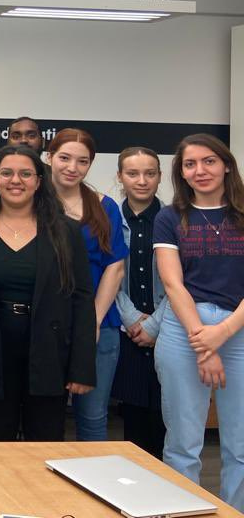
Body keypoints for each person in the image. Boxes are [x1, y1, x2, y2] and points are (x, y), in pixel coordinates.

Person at [0, 144, 95, 440]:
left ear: (39, 181)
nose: (15, 180)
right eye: (6, 173)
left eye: (25, 174)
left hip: (48, 350)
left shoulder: (66, 231)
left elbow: (82, 300)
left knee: (44, 444)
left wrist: (81, 367)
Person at [154, 134, 244, 510]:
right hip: (183, 329)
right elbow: (173, 285)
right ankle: (182, 512)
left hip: (238, 329)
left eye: (208, 161)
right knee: (183, 443)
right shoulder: (170, 217)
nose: (200, 170)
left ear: (226, 165)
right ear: (181, 173)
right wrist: (203, 345)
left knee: (240, 445)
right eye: (190, 164)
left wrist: (222, 333)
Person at [47, 128, 127, 441]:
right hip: (47, 327)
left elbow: (115, 267)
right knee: (44, 418)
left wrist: (90, 322)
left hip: (100, 326)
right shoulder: (33, 203)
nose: (72, 167)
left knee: (93, 419)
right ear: (49, 157)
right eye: (64, 158)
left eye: (82, 161)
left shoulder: (105, 206)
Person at [112, 146, 168, 459]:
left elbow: (180, 281)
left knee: (164, 417)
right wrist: (133, 319)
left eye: (150, 173)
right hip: (127, 332)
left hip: (167, 330)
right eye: (133, 173)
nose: (142, 180)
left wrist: (155, 325)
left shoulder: (174, 219)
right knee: (132, 419)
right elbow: (109, 277)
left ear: (160, 177)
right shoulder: (109, 219)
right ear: (120, 176)